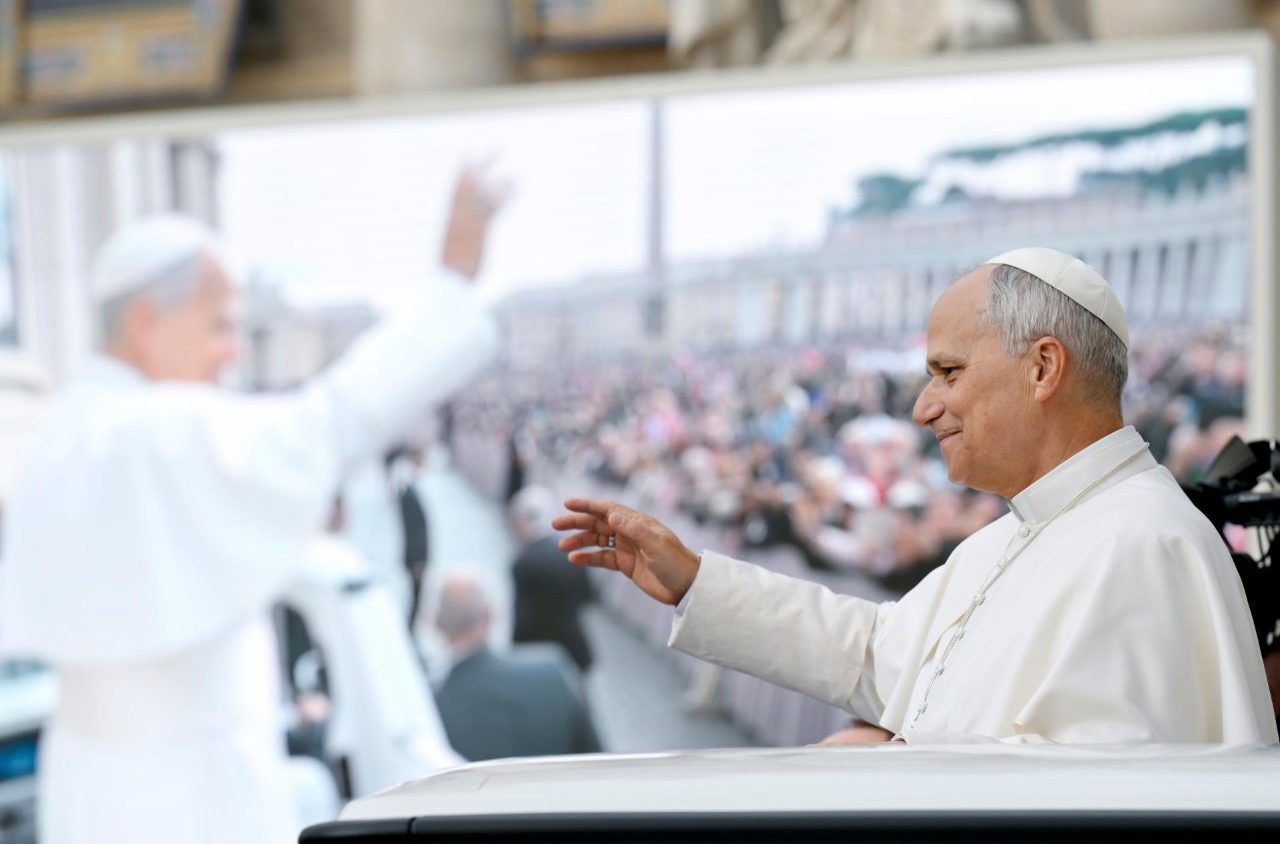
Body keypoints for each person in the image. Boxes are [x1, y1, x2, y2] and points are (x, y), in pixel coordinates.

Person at [555, 247, 1278, 745]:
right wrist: (696, 580)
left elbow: (1103, 800)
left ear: (1043, 368)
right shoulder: (1014, 532)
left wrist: (887, 767)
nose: (923, 408)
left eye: (948, 372)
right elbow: (879, 654)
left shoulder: (1143, 545)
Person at [0, 168, 504, 844]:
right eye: (219, 326)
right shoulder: (152, 432)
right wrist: (450, 289)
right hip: (190, 800)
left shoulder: (67, 430)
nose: (235, 351)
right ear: (147, 321)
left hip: (91, 792)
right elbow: (332, 422)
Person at [432, 571, 602, 761]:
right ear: (489, 615)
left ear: (437, 622)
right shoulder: (551, 672)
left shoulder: (432, 708)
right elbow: (597, 759)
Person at [509, 485, 595, 673]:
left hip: (535, 651)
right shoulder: (573, 554)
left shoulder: (524, 562)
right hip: (574, 649)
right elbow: (590, 597)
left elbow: (522, 617)